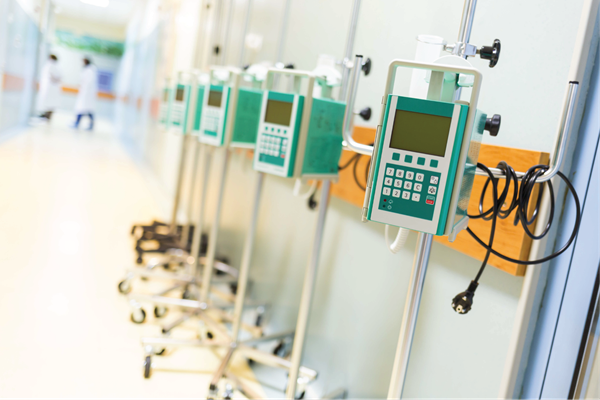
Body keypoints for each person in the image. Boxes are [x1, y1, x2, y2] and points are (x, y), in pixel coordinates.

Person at [72, 57, 98, 130]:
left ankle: (77, 123)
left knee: (82, 108)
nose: (81, 63)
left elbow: (88, 82)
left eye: (82, 61)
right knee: (85, 109)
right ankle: (80, 123)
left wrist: (82, 85)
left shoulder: (90, 71)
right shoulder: (88, 70)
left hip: (87, 93)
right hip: (85, 93)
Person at [36, 54, 61, 122]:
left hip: (50, 88)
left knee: (49, 103)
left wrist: (52, 79)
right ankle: (45, 115)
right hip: (49, 87)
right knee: (48, 102)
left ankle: (47, 116)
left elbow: (56, 77)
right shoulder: (53, 65)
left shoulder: (51, 65)